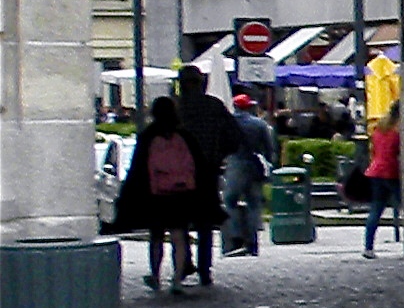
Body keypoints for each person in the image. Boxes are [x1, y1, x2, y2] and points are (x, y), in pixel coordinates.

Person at [112, 95, 214, 292]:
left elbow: (138, 168)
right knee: (179, 235)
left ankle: (156, 276)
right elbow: (199, 166)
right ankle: (176, 279)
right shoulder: (184, 135)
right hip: (182, 192)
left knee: (157, 236)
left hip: (156, 193)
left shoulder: (148, 136)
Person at [166, 69, 233, 290]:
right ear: (201, 83)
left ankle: (185, 262)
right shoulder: (214, 106)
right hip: (207, 171)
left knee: (180, 221)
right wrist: (219, 154)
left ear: (181, 84)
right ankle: (205, 270)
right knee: (205, 223)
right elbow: (234, 136)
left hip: (178, 173)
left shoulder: (175, 108)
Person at [222, 94, 279, 256]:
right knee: (254, 204)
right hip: (254, 166)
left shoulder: (227, 124)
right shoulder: (259, 124)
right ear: (248, 107)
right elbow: (269, 149)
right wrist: (268, 164)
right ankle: (252, 242)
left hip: (235, 165)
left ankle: (235, 236)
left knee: (229, 201)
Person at [360, 109, 403, 256]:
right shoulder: (397, 134)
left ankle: (368, 247)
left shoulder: (378, 131)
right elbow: (399, 154)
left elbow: (374, 151)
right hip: (391, 172)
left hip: (375, 171)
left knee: (376, 210)